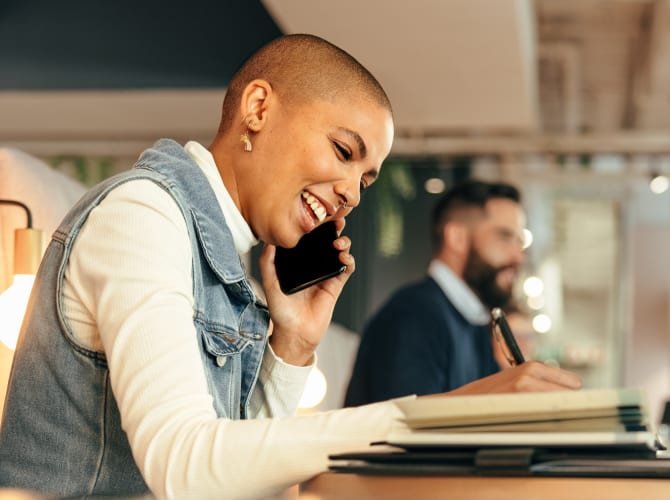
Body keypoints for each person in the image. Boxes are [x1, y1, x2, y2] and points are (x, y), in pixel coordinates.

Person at [0, 34, 580, 500]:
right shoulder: (143, 216)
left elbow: (239, 480)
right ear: (258, 109)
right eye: (345, 152)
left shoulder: (225, 260)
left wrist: (293, 346)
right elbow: (183, 468)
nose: (352, 192)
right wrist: (445, 414)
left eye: (366, 179)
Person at [345, 180, 535, 406]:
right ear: (456, 237)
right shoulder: (413, 315)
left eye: (519, 242)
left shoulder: (475, 326)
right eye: (504, 237)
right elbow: (407, 428)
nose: (518, 256)